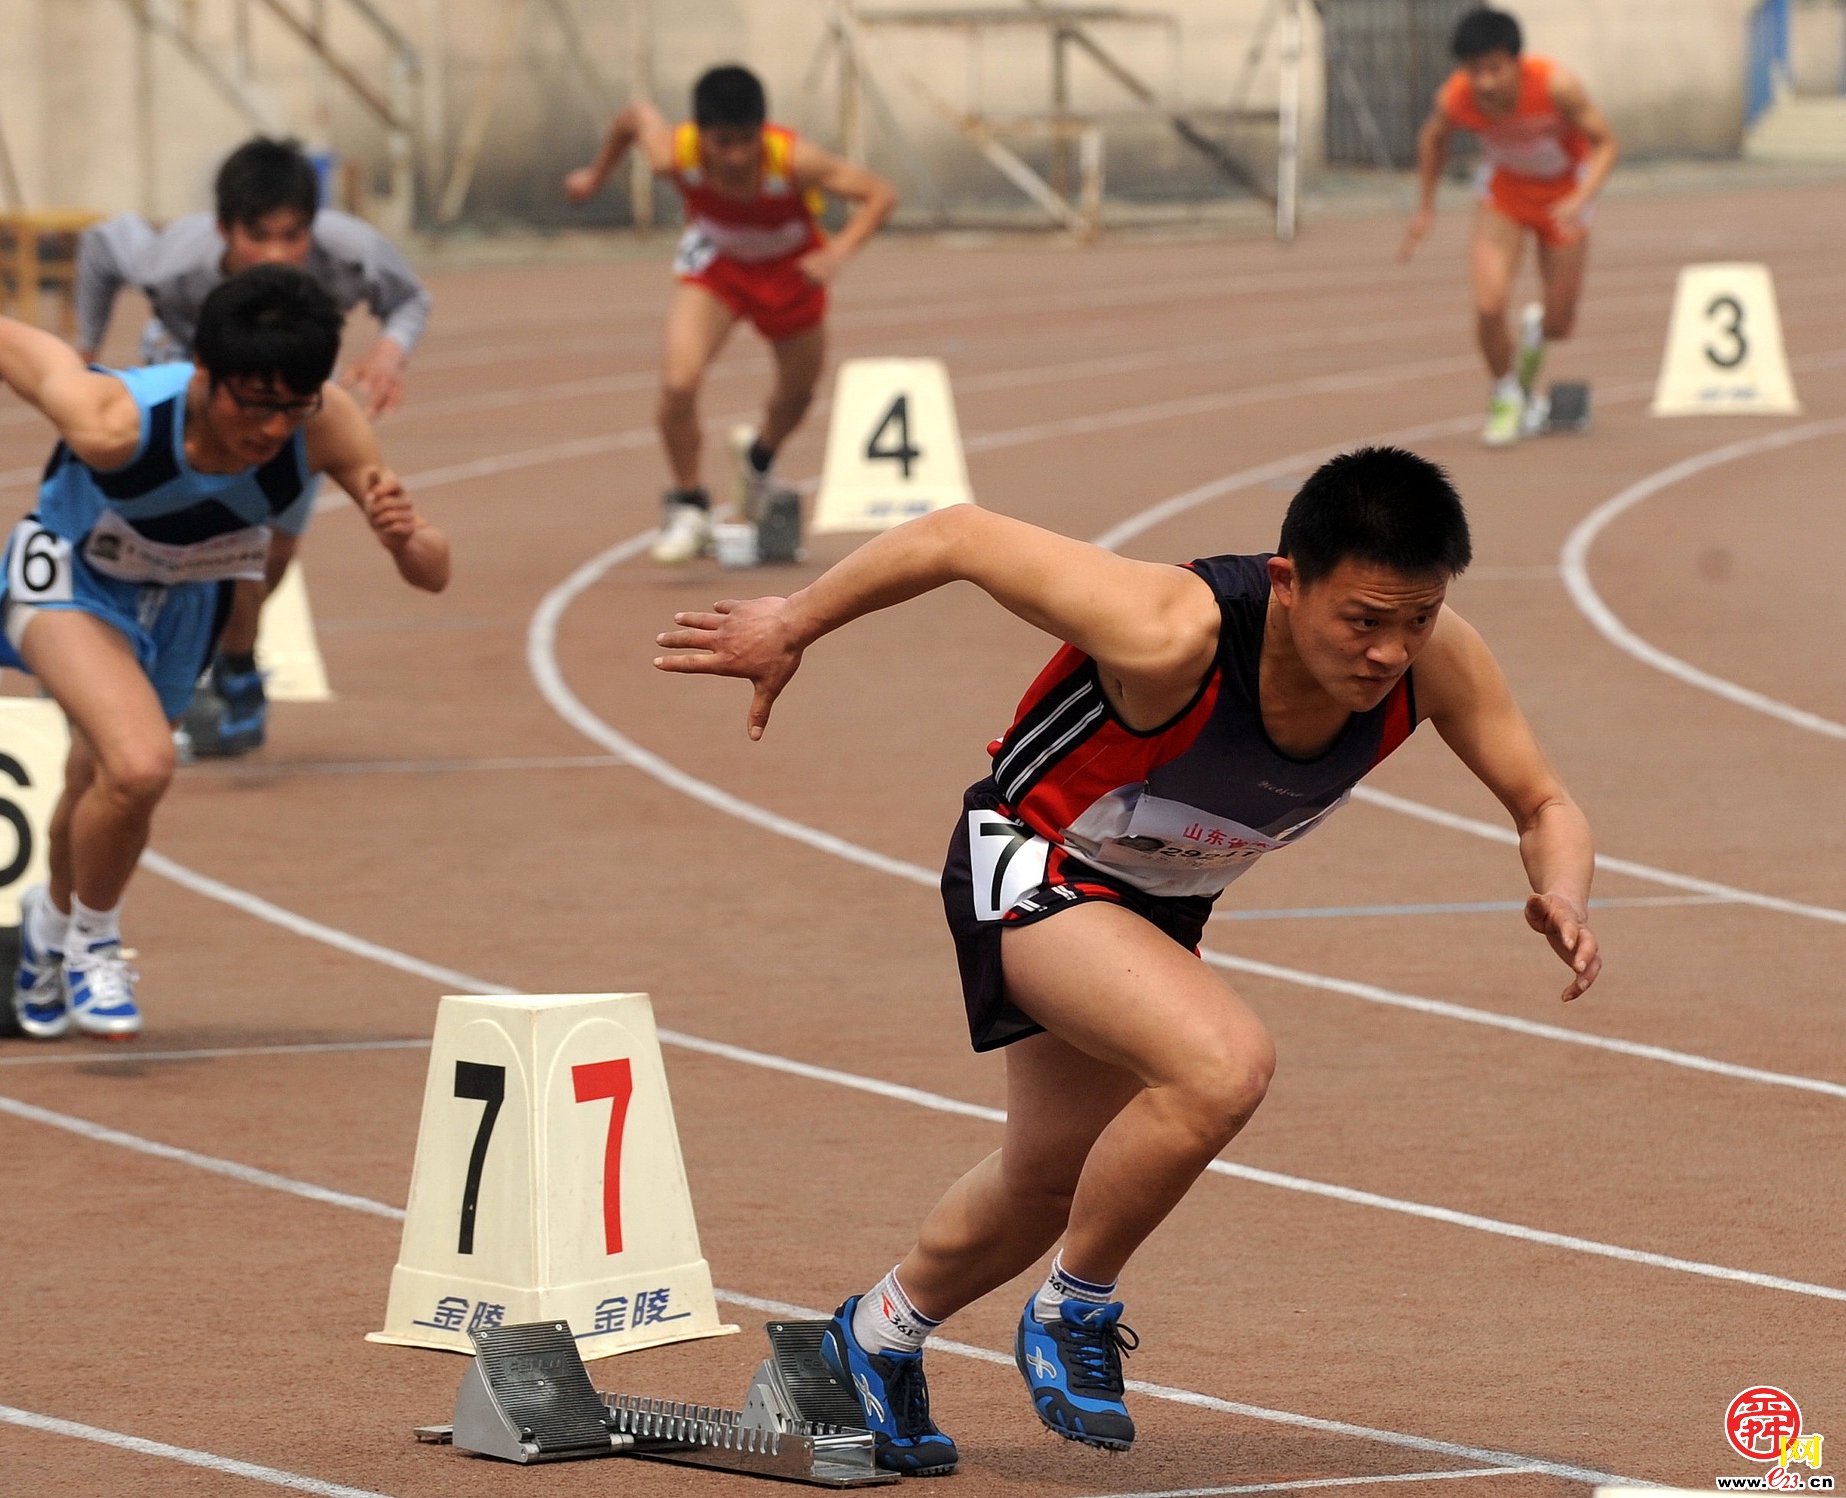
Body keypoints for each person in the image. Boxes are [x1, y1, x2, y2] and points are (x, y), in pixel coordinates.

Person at [652, 447, 1600, 1473]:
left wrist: (1562, 888)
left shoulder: (1434, 662)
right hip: (1028, 859)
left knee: (1049, 1175)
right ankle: (1074, 1308)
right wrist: (791, 621)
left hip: (1154, 906)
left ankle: (862, 1345)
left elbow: (1542, 801)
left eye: (1412, 620)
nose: (1386, 652)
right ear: (1286, 581)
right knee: (1221, 1063)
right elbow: (957, 532)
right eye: (1361, 620)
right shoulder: (1170, 625)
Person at [0, 266, 450, 1040]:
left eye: (294, 405)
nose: (274, 428)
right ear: (205, 375)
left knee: (101, 782)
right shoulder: (113, 419)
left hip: (185, 601)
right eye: (255, 403)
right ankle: (94, 943)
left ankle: (45, 930)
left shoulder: (327, 425)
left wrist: (405, 537)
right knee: (143, 761)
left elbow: (433, 574)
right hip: (69, 582)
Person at [75, 137, 435, 755]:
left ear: (315, 228)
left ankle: (225, 660)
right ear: (222, 229)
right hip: (192, 395)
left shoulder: (352, 252)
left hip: (289, 405)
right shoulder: (171, 263)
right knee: (204, 544)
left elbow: (410, 299)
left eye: (293, 235)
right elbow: (103, 244)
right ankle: (163, 665)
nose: (277, 254)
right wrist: (84, 351)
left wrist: (387, 352)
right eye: (257, 236)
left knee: (267, 558)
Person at [564, 64, 896, 563]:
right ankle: (690, 503)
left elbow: (879, 194)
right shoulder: (672, 151)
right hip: (717, 272)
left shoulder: (795, 160)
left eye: (747, 140)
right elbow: (633, 117)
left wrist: (838, 252)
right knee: (678, 383)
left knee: (798, 393)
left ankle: (758, 462)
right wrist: (594, 175)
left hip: (790, 275)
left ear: (762, 130)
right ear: (700, 134)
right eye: (723, 142)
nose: (737, 156)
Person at [1398, 7, 1616, 447]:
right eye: (1474, 70)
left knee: (1560, 322)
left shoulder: (1557, 86)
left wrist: (1581, 196)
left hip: (1563, 197)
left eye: (1495, 69)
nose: (1485, 83)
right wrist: (1425, 209)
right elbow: (1432, 140)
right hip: (1505, 195)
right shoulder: (1456, 97)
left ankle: (1538, 333)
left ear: (1516, 61)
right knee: (1489, 304)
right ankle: (1507, 394)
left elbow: (1606, 143)